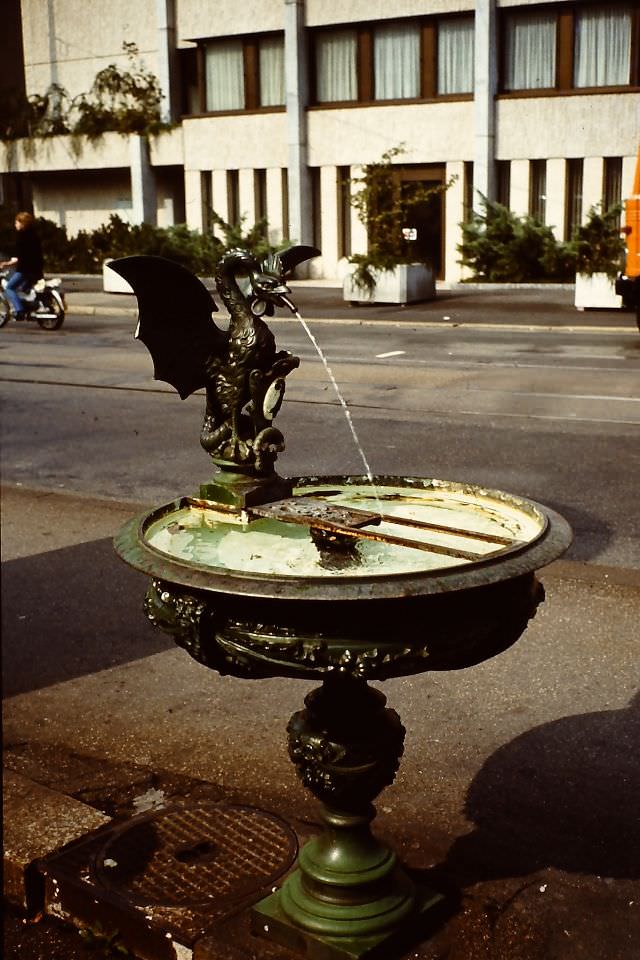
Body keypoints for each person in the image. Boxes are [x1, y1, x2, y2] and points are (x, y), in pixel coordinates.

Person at [0, 212, 44, 320]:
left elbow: (21, 257)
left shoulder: (22, 237)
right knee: (23, 290)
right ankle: (30, 307)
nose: (15, 224)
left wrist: (6, 264)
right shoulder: (34, 235)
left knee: (9, 287)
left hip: (25, 270)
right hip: (37, 270)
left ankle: (19, 310)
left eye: (17, 222)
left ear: (22, 223)